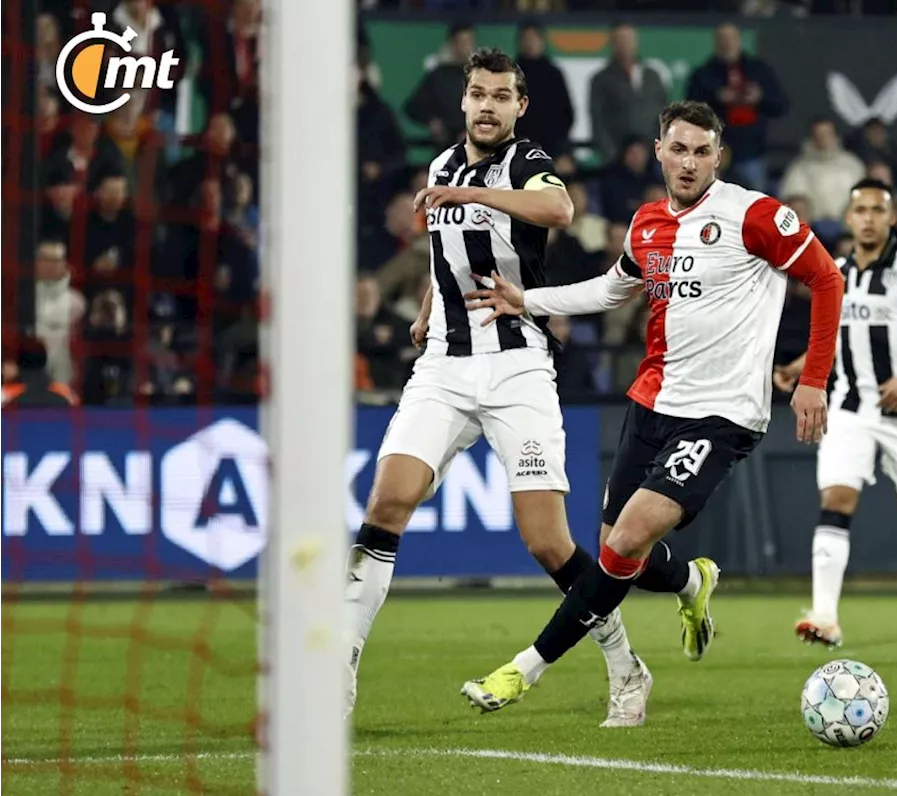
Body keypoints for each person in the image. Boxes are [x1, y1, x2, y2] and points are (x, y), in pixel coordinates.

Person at [459, 100, 845, 716]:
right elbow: (612, 289)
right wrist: (526, 299)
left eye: (702, 151)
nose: (689, 162)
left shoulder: (755, 215)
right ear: (659, 149)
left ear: (719, 156)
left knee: (628, 540)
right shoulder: (646, 223)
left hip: (721, 415)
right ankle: (693, 582)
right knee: (624, 558)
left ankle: (523, 670)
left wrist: (813, 379)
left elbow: (827, 279)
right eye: (679, 148)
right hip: (652, 402)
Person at [343, 47, 648, 729]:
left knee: (546, 542)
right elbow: (446, 254)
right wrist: (428, 305)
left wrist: (473, 193)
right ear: (463, 101)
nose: (487, 106)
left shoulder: (523, 163)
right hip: (446, 365)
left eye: (500, 96)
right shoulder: (441, 167)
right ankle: (339, 672)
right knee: (387, 502)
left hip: (517, 367)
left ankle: (625, 665)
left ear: (520, 106)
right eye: (477, 94)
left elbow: (560, 209)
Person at [773, 178, 897, 649]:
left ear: (891, 217)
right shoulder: (835, 270)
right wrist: (799, 369)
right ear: (848, 217)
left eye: (877, 210)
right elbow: (834, 333)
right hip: (847, 409)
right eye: (860, 209)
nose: (868, 218)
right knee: (836, 500)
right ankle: (824, 617)